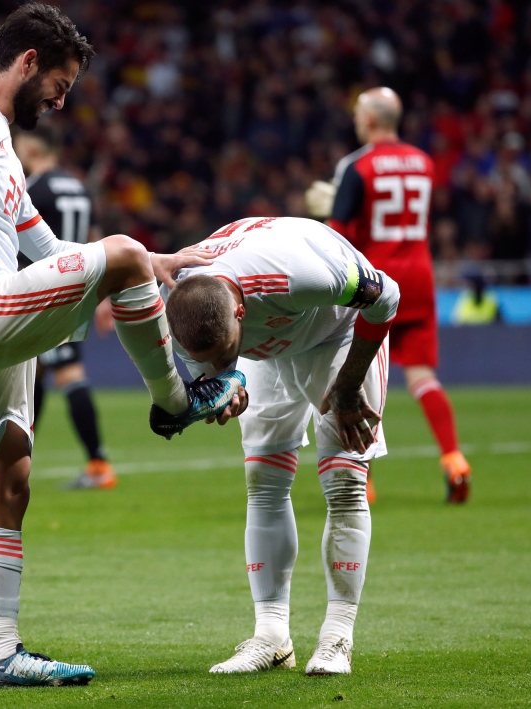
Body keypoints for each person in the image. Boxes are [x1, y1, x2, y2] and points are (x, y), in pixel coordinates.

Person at [0, 4, 242, 689]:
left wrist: (157, 261)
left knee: (10, 481)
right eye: (59, 82)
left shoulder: (4, 153)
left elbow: (51, 251)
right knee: (120, 252)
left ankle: (1, 654)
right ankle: (176, 400)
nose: (61, 99)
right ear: (26, 61)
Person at [160, 216, 399, 677]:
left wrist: (349, 385)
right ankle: (271, 636)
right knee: (263, 480)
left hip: (338, 334)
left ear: (240, 312)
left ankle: (337, 636)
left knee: (345, 480)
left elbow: (386, 295)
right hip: (266, 348)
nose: (212, 363)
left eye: (221, 350)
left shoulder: (297, 274)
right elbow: (210, 357)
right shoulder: (185, 298)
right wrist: (221, 381)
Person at [307, 87, 472, 504]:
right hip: (419, 274)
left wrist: (328, 210)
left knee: (360, 376)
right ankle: (453, 458)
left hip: (376, 281)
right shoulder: (424, 162)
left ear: (370, 120)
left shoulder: (357, 165)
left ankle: (363, 477)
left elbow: (339, 235)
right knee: (423, 378)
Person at [13, 124, 115, 490]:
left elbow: (17, 242)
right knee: (35, 372)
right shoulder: (82, 187)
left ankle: (99, 464)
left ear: (31, 147)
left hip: (47, 292)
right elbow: (94, 241)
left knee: (67, 372)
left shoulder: (31, 189)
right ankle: (20, 459)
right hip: (80, 289)